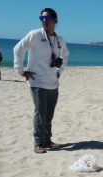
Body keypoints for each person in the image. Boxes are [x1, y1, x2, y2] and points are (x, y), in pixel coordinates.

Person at [14, 8, 70, 154]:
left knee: (49, 114)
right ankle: (38, 143)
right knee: (40, 113)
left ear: (55, 20)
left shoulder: (59, 39)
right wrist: (20, 71)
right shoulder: (35, 34)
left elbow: (66, 55)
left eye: (48, 18)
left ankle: (47, 141)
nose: (44, 20)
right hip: (37, 81)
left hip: (53, 82)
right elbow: (18, 49)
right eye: (42, 18)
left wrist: (60, 71)